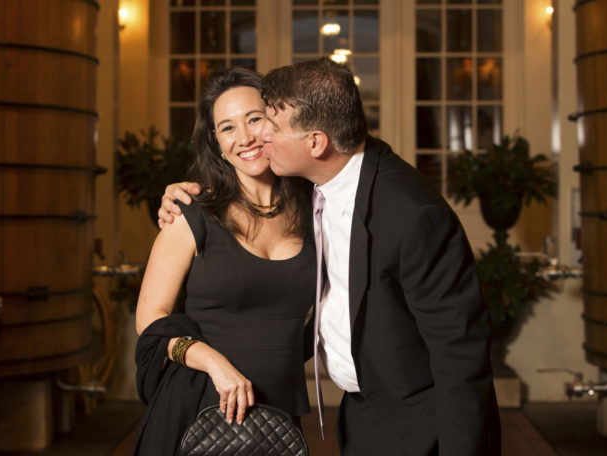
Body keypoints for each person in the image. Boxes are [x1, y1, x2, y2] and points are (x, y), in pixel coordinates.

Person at [159, 58, 501, 455]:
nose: (259, 138)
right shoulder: (312, 190)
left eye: (270, 125)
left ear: (316, 143)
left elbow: (461, 357)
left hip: (419, 426)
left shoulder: (411, 213)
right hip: (358, 419)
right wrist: (178, 197)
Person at [133, 67, 315, 455]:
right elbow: (150, 320)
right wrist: (214, 362)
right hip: (200, 409)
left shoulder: (316, 209)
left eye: (254, 119)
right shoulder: (190, 214)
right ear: (215, 143)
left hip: (279, 416)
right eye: (227, 128)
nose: (245, 138)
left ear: (276, 120)